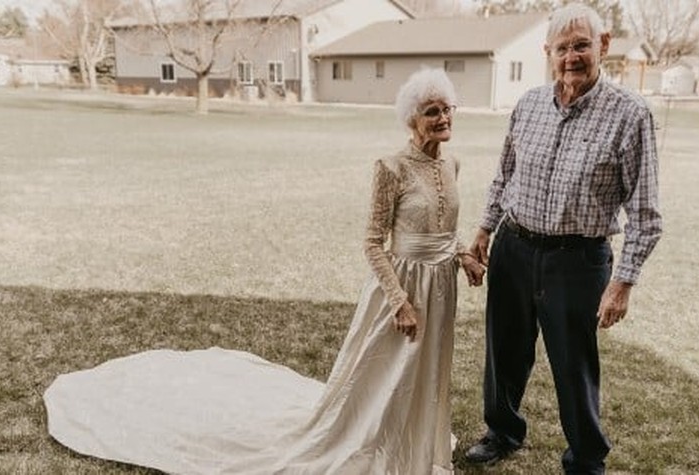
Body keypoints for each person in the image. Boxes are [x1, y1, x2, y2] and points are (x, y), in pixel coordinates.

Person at [43, 67, 484, 474]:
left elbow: (442, 231)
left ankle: (416, 445)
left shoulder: (453, 163)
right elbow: (373, 242)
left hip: (440, 289)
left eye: (447, 108)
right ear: (412, 119)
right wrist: (398, 301)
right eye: (432, 111)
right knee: (385, 374)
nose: (443, 117)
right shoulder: (390, 167)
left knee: (425, 371)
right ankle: (374, 445)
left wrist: (462, 254)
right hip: (400, 293)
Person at [463, 3, 663, 474]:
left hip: (578, 260)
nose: (571, 56)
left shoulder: (631, 115)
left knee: (573, 365)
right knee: (505, 351)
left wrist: (623, 282)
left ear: (604, 46)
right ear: (547, 52)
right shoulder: (529, 105)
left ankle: (586, 458)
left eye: (581, 45)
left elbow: (646, 214)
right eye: (562, 48)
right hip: (514, 247)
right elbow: (503, 176)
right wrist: (484, 229)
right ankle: (502, 431)